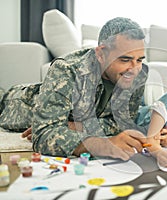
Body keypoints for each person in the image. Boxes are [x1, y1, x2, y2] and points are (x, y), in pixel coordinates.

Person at [21, 17, 151, 161]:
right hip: (22, 103)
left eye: (139, 60)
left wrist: (78, 126)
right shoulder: (67, 70)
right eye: (125, 60)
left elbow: (125, 123)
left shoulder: (139, 74)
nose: (134, 69)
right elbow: (43, 135)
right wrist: (102, 144)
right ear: (101, 54)